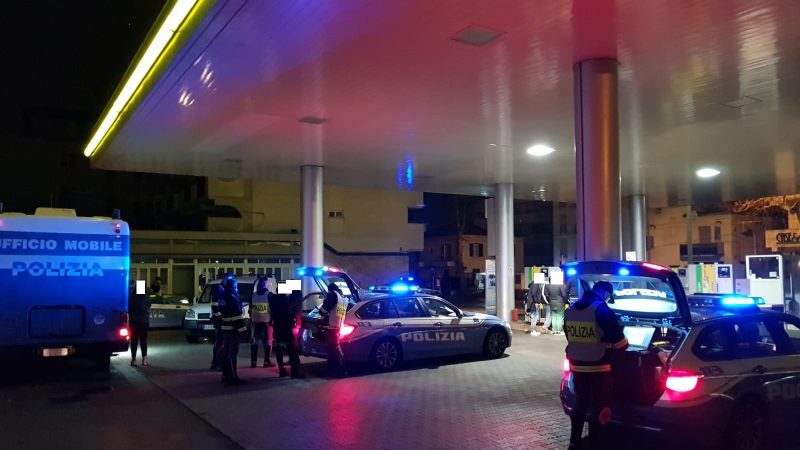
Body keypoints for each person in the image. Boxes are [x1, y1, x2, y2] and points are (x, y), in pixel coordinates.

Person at [564, 281, 628, 450]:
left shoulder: (570, 310)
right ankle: (596, 442)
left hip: (577, 367)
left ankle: (574, 441)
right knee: (599, 407)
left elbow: (570, 336)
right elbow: (621, 343)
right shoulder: (602, 310)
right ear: (605, 294)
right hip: (599, 368)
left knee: (580, 404)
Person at [219, 273, 248, 385]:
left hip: (225, 328)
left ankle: (226, 375)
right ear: (233, 286)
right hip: (233, 329)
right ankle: (233, 376)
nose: (237, 288)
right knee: (232, 353)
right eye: (236, 286)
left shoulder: (223, 296)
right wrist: (243, 331)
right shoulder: (232, 297)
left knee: (226, 352)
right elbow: (237, 316)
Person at [268, 291, 304, 378]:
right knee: (291, 349)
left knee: (279, 350)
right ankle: (294, 372)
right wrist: (292, 323)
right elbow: (287, 315)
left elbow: (271, 315)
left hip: (277, 329)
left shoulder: (273, 300)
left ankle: (281, 370)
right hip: (286, 330)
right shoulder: (284, 300)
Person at [319, 282, 347, 378]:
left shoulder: (332, 294)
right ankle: (336, 370)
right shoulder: (343, 298)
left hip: (330, 326)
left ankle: (339, 371)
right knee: (334, 348)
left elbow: (325, 308)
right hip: (337, 326)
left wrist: (321, 311)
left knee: (333, 349)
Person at [249, 276, 274, 368]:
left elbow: (250, 309)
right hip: (267, 322)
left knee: (254, 342)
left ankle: (253, 362)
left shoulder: (253, 295)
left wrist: (251, 317)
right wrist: (272, 320)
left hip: (255, 322)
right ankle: (267, 361)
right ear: (265, 284)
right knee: (268, 342)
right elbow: (272, 309)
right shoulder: (269, 295)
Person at [128, 280, 151, 366]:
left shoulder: (131, 297)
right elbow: (148, 305)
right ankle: (144, 358)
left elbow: (129, 308)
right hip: (144, 321)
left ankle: (133, 359)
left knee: (134, 340)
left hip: (134, 321)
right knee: (143, 340)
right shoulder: (146, 297)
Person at [209, 284, 224, 371]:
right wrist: (220, 317)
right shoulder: (216, 297)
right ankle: (218, 363)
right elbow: (215, 308)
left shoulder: (217, 296)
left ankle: (215, 362)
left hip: (218, 322)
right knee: (220, 343)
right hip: (219, 322)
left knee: (218, 343)